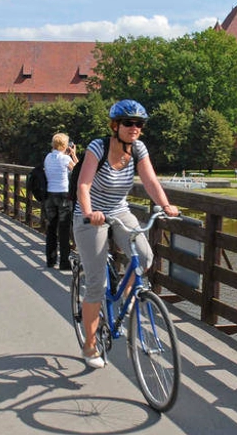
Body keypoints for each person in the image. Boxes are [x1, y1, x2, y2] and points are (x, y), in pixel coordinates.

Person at [72, 99, 179, 369]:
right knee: (96, 284)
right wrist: (89, 212)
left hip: (119, 211)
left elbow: (150, 180)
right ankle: (90, 344)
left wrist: (165, 205)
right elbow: (83, 185)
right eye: (129, 123)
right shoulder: (98, 148)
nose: (135, 128)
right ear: (115, 125)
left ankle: (128, 297)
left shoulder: (139, 149)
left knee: (144, 256)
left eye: (139, 124)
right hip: (91, 215)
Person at [43, 133, 78, 270]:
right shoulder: (65, 159)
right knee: (64, 230)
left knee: (51, 229)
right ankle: (64, 262)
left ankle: (50, 260)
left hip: (50, 195)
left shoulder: (47, 157)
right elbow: (78, 171)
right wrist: (73, 154)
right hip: (63, 195)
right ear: (65, 145)